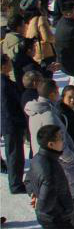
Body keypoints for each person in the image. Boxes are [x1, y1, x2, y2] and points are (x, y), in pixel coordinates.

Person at [2, 53, 27, 194]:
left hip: (10, 123)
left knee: (14, 154)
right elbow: (6, 108)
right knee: (15, 155)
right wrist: (20, 122)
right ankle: (16, 184)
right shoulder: (4, 84)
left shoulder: (5, 81)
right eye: (8, 62)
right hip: (11, 124)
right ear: (4, 65)